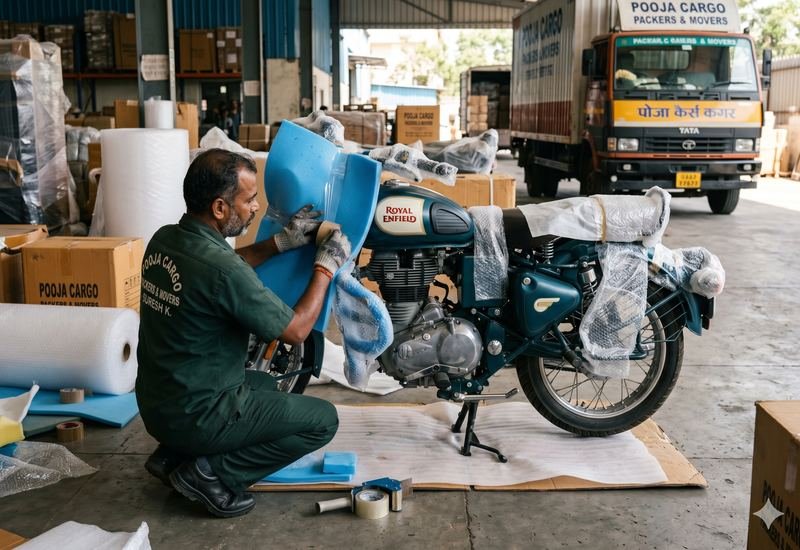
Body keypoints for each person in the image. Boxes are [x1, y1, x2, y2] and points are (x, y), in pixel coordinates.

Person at [135, 148, 350, 518]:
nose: (255, 208)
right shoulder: (222, 271)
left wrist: (278, 244)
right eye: (249, 200)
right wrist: (326, 267)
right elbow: (296, 330)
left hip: (157, 405)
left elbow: (223, 266)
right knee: (322, 420)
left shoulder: (165, 240)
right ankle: (211, 474)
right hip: (197, 415)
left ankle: (172, 452)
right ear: (220, 208)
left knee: (264, 385)